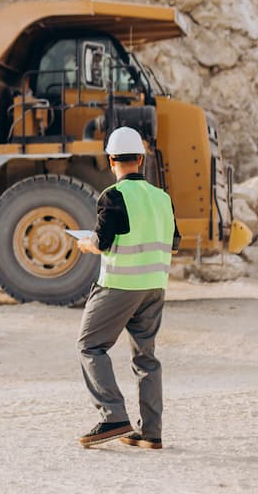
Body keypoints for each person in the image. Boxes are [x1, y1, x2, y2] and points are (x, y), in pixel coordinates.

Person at [74, 126, 181, 449]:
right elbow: (174, 244)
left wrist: (86, 243)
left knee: (90, 346)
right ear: (141, 159)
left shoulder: (113, 196)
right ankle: (151, 432)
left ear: (111, 160)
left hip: (120, 285)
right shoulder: (162, 198)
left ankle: (113, 416)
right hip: (154, 287)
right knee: (146, 358)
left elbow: (102, 243)